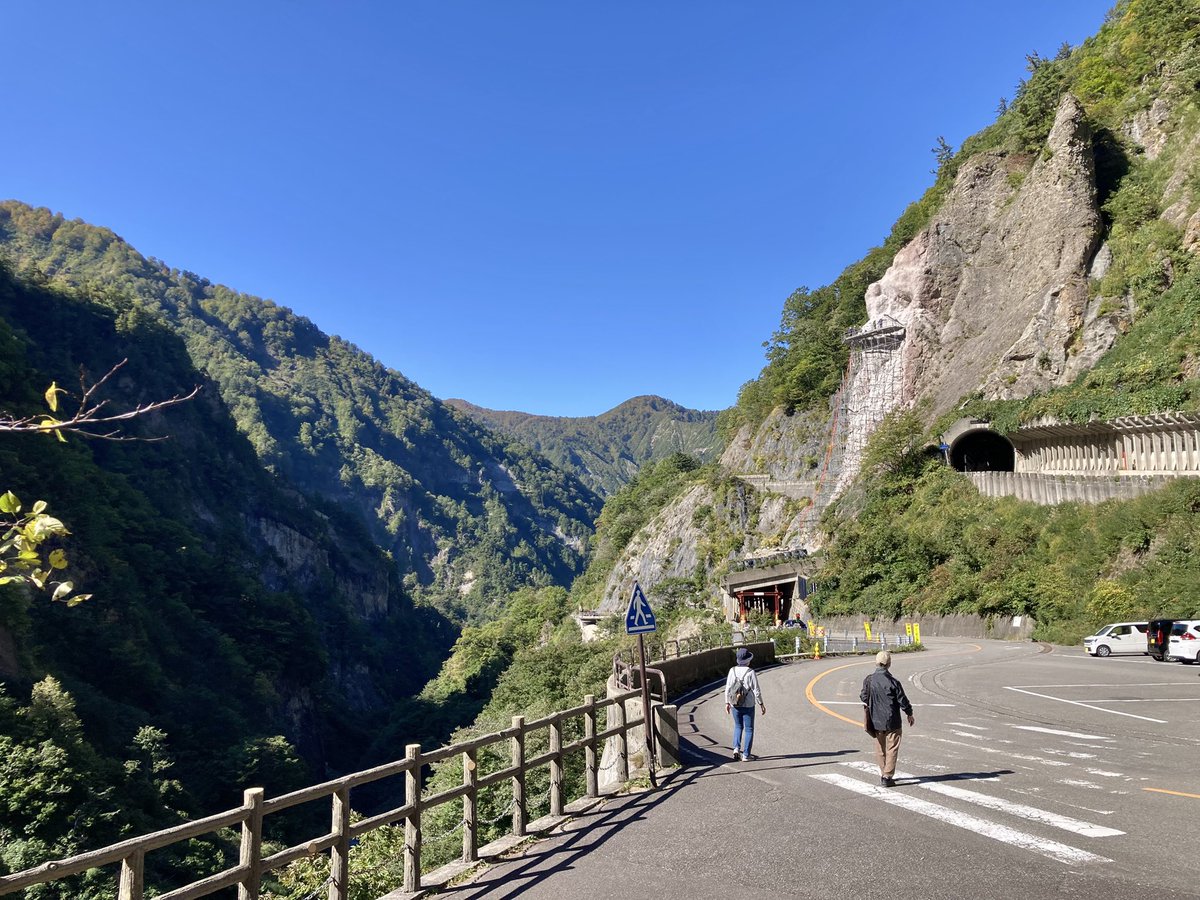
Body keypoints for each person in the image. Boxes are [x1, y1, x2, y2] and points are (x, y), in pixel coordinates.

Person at [860, 650, 914, 787]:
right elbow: (903, 701)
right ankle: (887, 776)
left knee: (880, 748)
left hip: (876, 719)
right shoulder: (893, 682)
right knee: (892, 748)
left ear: (876, 663)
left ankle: (883, 772)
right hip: (893, 720)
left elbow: (863, 697)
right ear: (889, 664)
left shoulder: (869, 680)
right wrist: (909, 713)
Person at [724, 646, 766, 761]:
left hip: (734, 704)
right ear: (748, 660)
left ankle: (736, 748)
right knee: (749, 729)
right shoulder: (750, 672)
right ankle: (746, 755)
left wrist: (727, 702)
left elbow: (727, 688)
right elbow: (756, 690)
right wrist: (761, 704)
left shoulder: (732, 670)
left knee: (738, 726)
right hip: (748, 704)